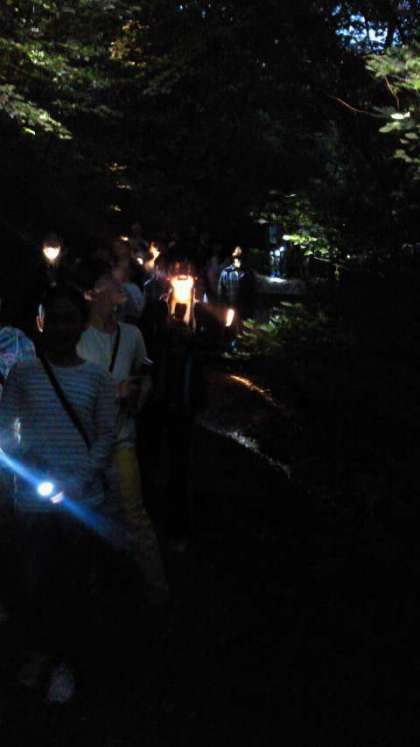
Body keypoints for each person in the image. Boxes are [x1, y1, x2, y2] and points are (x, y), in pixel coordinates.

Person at [0, 283, 117, 703]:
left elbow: (106, 436)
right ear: (41, 323)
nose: (62, 327)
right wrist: (25, 459)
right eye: (54, 319)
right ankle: (40, 652)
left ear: (81, 324)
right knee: (35, 580)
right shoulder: (23, 374)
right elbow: (4, 429)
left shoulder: (97, 378)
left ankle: (65, 660)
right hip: (33, 500)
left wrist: (80, 478)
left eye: (70, 318)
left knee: (72, 581)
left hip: (80, 500)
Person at [77, 270, 169, 602]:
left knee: (133, 512)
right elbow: (75, 390)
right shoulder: (79, 338)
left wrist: (140, 394)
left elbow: (145, 373)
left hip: (121, 440)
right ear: (94, 295)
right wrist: (116, 391)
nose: (120, 299)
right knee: (88, 512)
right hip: (87, 445)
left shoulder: (132, 335)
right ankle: (93, 581)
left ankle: (155, 588)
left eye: (121, 294)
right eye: (114, 292)